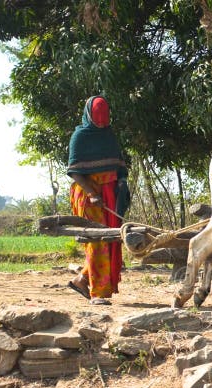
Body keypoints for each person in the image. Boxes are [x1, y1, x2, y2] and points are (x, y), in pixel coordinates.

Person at [66, 95, 130, 305]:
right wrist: (92, 194)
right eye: (97, 115)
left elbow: (120, 166)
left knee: (111, 241)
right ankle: (98, 293)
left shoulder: (109, 135)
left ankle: (82, 280)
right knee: (97, 241)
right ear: (89, 115)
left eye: (104, 115)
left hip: (111, 195)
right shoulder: (80, 136)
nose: (101, 119)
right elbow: (75, 172)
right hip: (88, 195)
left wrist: (121, 183)